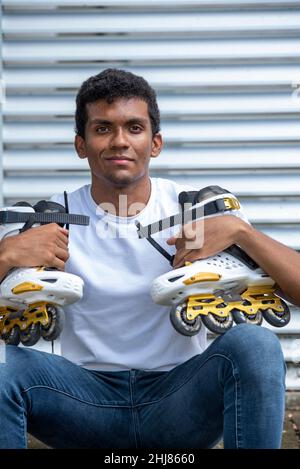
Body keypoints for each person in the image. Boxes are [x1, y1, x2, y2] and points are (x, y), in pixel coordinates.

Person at [0, 68, 300, 449]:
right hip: (84, 402)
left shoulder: (197, 210)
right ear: (81, 144)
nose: (120, 141)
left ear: (155, 143)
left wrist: (244, 234)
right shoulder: (47, 218)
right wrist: (7, 254)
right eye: (103, 128)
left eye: (134, 128)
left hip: (180, 400)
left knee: (255, 345)